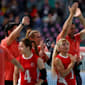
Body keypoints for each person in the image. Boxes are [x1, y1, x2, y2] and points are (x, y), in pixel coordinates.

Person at [56, 2, 85, 85]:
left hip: (76, 70)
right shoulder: (62, 38)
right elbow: (64, 30)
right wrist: (71, 15)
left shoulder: (77, 37)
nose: (73, 30)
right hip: (66, 71)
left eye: (74, 28)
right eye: (71, 29)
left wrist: (80, 16)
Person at [1, 16, 30, 85]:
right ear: (9, 32)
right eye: (16, 29)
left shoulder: (18, 44)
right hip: (7, 78)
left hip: (17, 78)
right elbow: (12, 36)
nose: (19, 30)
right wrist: (22, 24)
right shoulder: (5, 42)